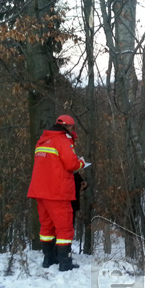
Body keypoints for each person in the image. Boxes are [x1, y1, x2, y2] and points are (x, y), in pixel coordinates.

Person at [27, 115, 85, 271]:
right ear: (69, 127)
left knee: (47, 226)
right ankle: (65, 262)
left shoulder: (42, 141)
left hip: (40, 191)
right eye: (73, 128)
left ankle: (48, 259)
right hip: (57, 192)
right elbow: (71, 164)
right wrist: (82, 163)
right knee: (64, 228)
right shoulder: (62, 140)